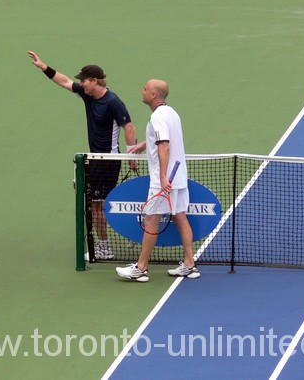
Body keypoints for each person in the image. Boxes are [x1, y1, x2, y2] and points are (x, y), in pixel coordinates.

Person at [28, 51, 137, 260]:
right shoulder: (89, 96)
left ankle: (106, 247)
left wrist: (131, 155)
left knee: (98, 203)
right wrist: (44, 67)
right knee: (101, 202)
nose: (81, 84)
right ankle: (128, 233)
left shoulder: (113, 102)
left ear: (94, 81)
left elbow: (129, 127)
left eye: (84, 81)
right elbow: (65, 82)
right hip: (95, 160)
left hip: (108, 161)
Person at [116, 79, 200, 282]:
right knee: (179, 217)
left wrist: (162, 177)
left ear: (153, 95)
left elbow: (165, 146)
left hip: (163, 180)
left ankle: (141, 269)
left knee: (151, 221)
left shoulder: (158, 117)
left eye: (145, 89)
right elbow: (163, 139)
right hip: (178, 178)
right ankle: (190, 265)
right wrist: (145, 144)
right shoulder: (171, 113)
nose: (142, 91)